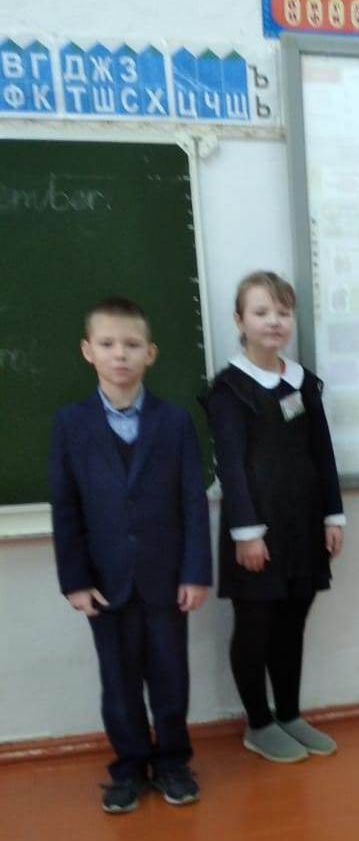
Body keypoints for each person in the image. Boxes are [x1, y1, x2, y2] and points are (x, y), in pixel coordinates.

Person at [49, 298, 211, 813]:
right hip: (105, 583)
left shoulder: (174, 422)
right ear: (88, 351)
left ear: (151, 353)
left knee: (170, 678)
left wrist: (195, 572)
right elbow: (66, 508)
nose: (120, 354)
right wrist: (75, 581)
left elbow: (192, 502)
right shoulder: (70, 424)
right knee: (118, 684)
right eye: (108, 344)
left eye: (132, 344)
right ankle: (129, 767)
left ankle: (173, 763)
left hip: (166, 579)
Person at [202, 271, 345, 763]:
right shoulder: (229, 390)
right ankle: (259, 724)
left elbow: (322, 453)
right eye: (261, 312)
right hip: (256, 531)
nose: (274, 321)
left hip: (303, 525)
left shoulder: (302, 382)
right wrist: (247, 533)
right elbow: (231, 466)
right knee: (255, 624)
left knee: (292, 622)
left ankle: (288, 713)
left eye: (283, 312)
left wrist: (333, 516)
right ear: (239, 320)